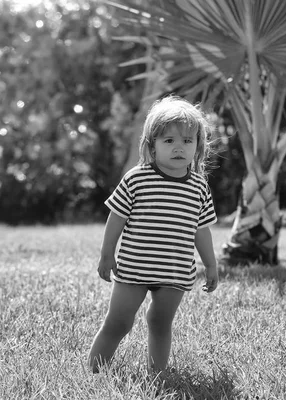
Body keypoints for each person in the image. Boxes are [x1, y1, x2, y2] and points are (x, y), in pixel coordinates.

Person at [88, 95, 219, 373]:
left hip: (175, 272)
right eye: (168, 141)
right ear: (152, 145)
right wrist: (106, 254)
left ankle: (157, 375)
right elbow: (116, 218)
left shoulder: (198, 186)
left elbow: (201, 229)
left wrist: (210, 264)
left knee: (161, 324)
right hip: (135, 269)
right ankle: (94, 372)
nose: (178, 148)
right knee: (119, 323)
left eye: (187, 141)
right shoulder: (137, 178)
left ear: (198, 147)